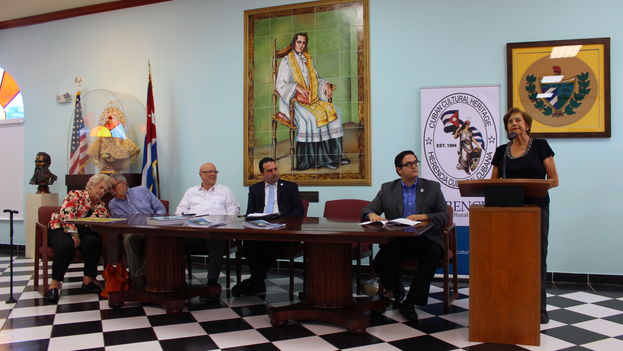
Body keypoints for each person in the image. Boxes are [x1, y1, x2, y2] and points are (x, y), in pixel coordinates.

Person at [361, 150, 448, 321]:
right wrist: (371, 215)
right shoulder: (388, 188)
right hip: (399, 239)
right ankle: (396, 289)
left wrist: (425, 216)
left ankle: (410, 302)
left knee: (432, 255)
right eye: (409, 164)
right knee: (379, 263)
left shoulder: (432, 187)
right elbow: (369, 209)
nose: (414, 166)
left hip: (426, 238)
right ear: (399, 169)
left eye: (416, 162)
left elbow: (444, 215)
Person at [491, 107, 559, 324]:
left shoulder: (540, 146)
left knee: (536, 258)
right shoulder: (502, 152)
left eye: (518, 120)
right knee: (510, 258)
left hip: (536, 209)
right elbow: (492, 183)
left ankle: (539, 308)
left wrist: (532, 188)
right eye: (510, 122)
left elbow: (554, 179)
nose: (514, 124)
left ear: (527, 125)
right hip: (509, 211)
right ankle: (512, 303)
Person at [275, 32, 349, 170]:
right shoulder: (286, 61)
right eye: (299, 42)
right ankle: (317, 160)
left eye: (303, 43)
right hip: (293, 101)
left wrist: (325, 84)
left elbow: (315, 79)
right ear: (294, 43)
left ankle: (335, 157)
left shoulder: (307, 59)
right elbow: (280, 84)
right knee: (311, 119)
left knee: (335, 113)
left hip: (311, 99)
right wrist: (296, 87)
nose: (301, 45)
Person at [231, 157, 304, 297]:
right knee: (249, 244)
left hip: (283, 231)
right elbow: (250, 213)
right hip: (261, 228)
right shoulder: (255, 189)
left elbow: (299, 210)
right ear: (262, 174)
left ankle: (255, 281)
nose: (274, 173)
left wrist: (282, 221)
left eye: (275, 169)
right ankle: (257, 281)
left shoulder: (290, 187)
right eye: (269, 171)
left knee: (269, 244)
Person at [44, 173, 112, 303]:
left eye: (105, 190)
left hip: (82, 231)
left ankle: (88, 281)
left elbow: (104, 216)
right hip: (61, 228)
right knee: (66, 246)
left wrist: (92, 220)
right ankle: (54, 285)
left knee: (93, 242)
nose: (102, 191)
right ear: (91, 186)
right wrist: (74, 234)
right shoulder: (75, 194)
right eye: (100, 187)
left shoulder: (100, 203)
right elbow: (66, 215)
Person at [176, 162, 240, 288]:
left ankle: (212, 283)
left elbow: (234, 211)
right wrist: (187, 217)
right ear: (200, 175)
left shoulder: (225, 191)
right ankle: (177, 280)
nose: (212, 174)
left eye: (214, 172)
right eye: (208, 171)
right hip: (193, 231)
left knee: (216, 243)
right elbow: (179, 211)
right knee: (175, 242)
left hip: (216, 232)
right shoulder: (191, 192)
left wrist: (223, 221)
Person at [108, 174, 167, 287]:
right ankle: (138, 281)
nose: (111, 191)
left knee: (158, 238)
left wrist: (156, 221)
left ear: (123, 183)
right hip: (134, 231)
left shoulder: (142, 191)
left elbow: (160, 208)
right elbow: (123, 223)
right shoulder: (113, 204)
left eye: (113, 186)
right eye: (109, 188)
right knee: (129, 238)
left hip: (153, 228)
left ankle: (138, 276)